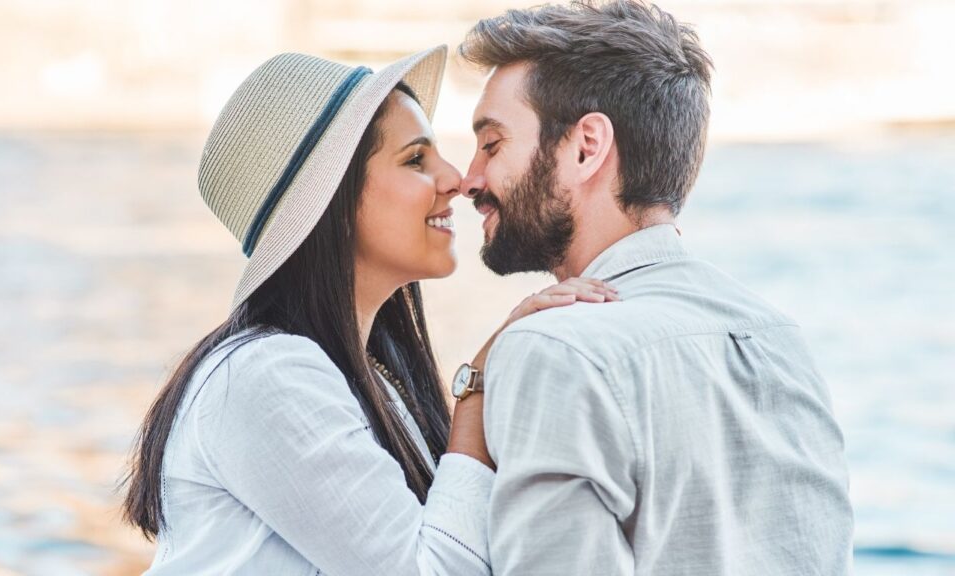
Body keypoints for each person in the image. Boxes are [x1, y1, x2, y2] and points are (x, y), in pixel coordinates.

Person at [120, 45, 616, 575]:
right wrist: (476, 388)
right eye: (415, 159)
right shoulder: (267, 376)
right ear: (334, 199)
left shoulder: (367, 375)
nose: (456, 178)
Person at [457, 1, 855, 574]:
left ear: (586, 147)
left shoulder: (554, 350)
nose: (470, 179)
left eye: (492, 144)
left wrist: (474, 388)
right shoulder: (780, 339)